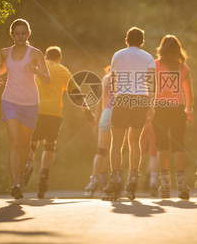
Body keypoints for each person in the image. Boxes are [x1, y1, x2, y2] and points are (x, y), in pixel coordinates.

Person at [26, 46, 96, 199]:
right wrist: (89, 114)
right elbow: (77, 95)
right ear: (59, 59)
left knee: (32, 141)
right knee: (49, 145)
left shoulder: (37, 68)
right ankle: (44, 177)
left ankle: (28, 164)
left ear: (45, 58)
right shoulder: (63, 71)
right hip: (54, 113)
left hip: (35, 110)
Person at [0, 18, 51, 199]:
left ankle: (20, 177)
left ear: (28, 34)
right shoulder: (4, 52)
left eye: (23, 33)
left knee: (25, 145)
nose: (20, 37)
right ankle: (15, 184)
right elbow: (2, 68)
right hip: (9, 101)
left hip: (30, 104)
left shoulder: (35, 54)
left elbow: (47, 79)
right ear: (11, 35)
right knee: (15, 141)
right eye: (16, 34)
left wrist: (36, 71)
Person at [102, 26, 156, 201]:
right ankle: (132, 179)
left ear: (126, 40)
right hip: (140, 100)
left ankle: (116, 178)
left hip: (123, 99)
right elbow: (151, 84)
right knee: (135, 142)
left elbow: (114, 80)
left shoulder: (117, 55)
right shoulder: (148, 57)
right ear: (142, 42)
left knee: (117, 143)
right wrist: (151, 105)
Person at [152, 35, 194, 200]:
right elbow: (189, 92)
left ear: (161, 48)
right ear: (177, 49)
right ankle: (182, 185)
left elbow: (149, 87)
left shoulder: (155, 65)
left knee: (161, 146)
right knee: (178, 146)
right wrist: (189, 110)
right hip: (177, 109)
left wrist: (149, 107)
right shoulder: (183, 68)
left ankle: (165, 185)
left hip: (160, 109)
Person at [84, 66, 113, 197]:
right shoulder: (126, 80)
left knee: (101, 150)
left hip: (107, 113)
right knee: (116, 150)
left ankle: (95, 181)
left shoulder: (106, 79)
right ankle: (112, 181)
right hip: (121, 115)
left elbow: (102, 103)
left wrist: (98, 119)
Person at [140, 121, 159, 197]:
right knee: (153, 153)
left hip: (141, 121)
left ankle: (131, 180)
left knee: (138, 151)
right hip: (155, 121)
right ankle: (153, 182)